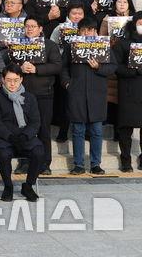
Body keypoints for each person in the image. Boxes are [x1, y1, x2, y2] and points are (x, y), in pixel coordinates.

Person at [5, 16, 62, 176]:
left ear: (40, 28)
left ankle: (45, 163)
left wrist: (37, 69)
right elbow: (8, 65)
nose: (29, 29)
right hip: (21, 94)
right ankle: (23, 162)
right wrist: (19, 67)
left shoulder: (50, 45)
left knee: (43, 129)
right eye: (27, 26)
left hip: (44, 93)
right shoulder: (17, 44)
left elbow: (57, 66)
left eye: (33, 26)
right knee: (22, 128)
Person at [61, 17, 117, 175]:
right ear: (79, 31)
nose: (87, 33)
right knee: (78, 130)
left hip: (97, 94)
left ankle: (95, 164)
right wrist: (67, 84)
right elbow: (63, 68)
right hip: (77, 93)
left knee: (97, 131)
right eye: (83, 30)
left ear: (96, 32)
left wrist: (99, 67)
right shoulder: (72, 46)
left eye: (90, 30)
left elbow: (113, 67)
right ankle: (78, 164)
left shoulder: (103, 46)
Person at [0, 64, 43, 202]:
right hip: (4, 137)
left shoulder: (30, 98)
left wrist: (25, 135)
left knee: (39, 151)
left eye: (16, 80)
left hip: (25, 136)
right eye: (8, 80)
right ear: (3, 80)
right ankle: (8, 186)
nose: (12, 84)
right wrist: (9, 136)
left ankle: (28, 186)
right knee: (3, 153)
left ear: (21, 79)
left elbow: (35, 122)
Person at [113, 12, 142, 172]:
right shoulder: (122, 44)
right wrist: (135, 70)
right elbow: (116, 67)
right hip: (128, 91)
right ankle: (125, 160)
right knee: (125, 128)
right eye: (140, 23)